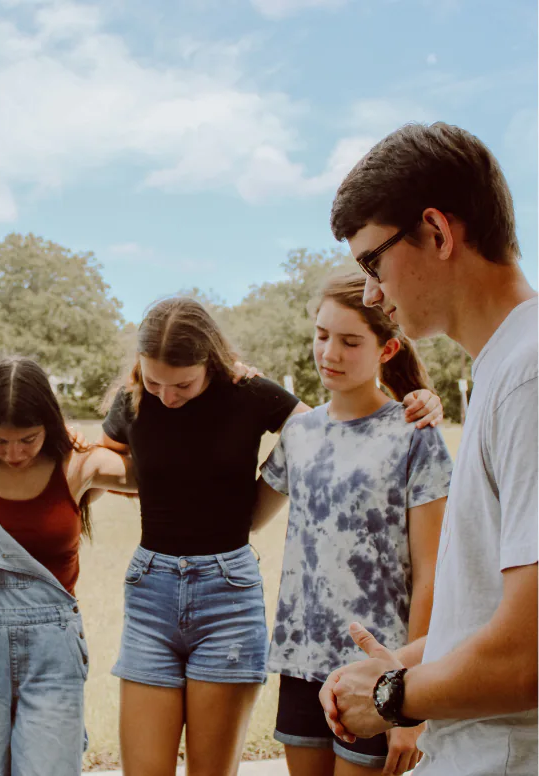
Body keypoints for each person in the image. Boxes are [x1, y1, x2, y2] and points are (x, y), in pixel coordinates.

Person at [98, 296, 443, 776]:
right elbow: (123, 467)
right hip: (237, 633)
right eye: (322, 336)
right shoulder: (141, 402)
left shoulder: (259, 395)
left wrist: (422, 398)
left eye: (181, 384)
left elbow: (431, 570)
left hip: (314, 631)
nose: (167, 396)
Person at [318, 122, 538, 775]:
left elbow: (528, 656)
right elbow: (494, 619)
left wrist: (391, 695)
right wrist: (404, 661)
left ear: (438, 233)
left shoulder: (528, 377)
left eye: (371, 261)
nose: (370, 294)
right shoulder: (506, 369)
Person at [252, 272, 452, 776]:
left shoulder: (414, 435)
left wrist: (409, 695)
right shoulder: (299, 432)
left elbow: (432, 573)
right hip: (301, 663)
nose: (330, 353)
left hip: (378, 670)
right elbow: (243, 518)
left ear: (387, 350)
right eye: (322, 336)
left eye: (349, 341)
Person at [0, 356, 137, 775]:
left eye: (29, 439)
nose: (14, 452)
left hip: (52, 654)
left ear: (50, 424)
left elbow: (160, 469)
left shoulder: (78, 465)